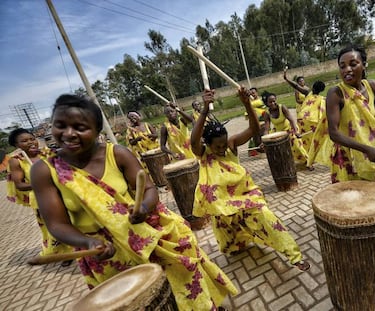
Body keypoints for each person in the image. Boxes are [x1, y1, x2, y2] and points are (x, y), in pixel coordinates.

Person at [30, 94, 237, 311]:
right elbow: (56, 224)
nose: (69, 134)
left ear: (97, 129)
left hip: (146, 233)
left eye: (80, 127)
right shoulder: (45, 171)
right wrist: (87, 243)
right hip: (104, 253)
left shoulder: (117, 154)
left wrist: (144, 207)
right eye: (60, 125)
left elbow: (148, 188)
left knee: (185, 279)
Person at [190, 88, 310, 272]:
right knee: (229, 242)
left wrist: (247, 103)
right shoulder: (203, 153)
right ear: (208, 144)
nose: (222, 149)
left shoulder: (231, 145)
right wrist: (205, 109)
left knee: (268, 218)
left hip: (245, 198)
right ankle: (238, 244)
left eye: (223, 143)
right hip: (222, 206)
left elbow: (254, 129)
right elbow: (193, 141)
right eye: (217, 146)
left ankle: (294, 255)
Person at [326, 44, 375, 183]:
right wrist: (365, 149)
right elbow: (333, 133)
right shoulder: (336, 94)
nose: (347, 69)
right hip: (350, 157)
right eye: (342, 66)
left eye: (353, 64)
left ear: (364, 65)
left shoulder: (372, 86)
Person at [6, 128, 72, 265]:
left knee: (74, 220)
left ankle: (82, 247)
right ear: (17, 145)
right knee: (56, 227)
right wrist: (43, 184)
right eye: (24, 141)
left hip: (63, 194)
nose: (31, 142)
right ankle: (65, 254)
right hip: (43, 199)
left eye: (32, 138)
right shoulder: (17, 161)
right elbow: (19, 185)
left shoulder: (46, 153)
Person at [262, 92, 312, 170]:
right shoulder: (267, 113)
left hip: (290, 128)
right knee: (281, 150)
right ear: (266, 103)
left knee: (297, 146)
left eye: (274, 101)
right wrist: (264, 140)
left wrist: (296, 132)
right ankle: (288, 165)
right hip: (279, 132)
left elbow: (291, 120)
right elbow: (266, 128)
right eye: (270, 102)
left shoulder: (282, 107)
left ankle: (308, 162)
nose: (273, 103)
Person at [296, 81, 326, 152]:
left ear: (313, 87)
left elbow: (296, 86)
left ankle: (306, 154)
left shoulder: (308, 93)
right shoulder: (322, 99)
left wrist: (286, 79)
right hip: (313, 122)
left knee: (304, 139)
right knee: (315, 138)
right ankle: (314, 153)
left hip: (301, 119)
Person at [245, 87, 266, 157]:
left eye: (254, 93)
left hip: (263, 122)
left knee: (264, 136)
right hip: (254, 123)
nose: (253, 94)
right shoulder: (250, 103)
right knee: (256, 139)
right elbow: (247, 114)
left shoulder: (261, 101)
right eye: (251, 93)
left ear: (257, 92)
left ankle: (265, 150)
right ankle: (259, 151)